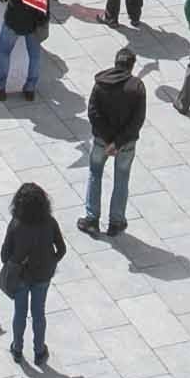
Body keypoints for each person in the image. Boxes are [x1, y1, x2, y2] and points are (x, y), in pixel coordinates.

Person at [0, 181, 67, 368]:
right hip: (43, 276)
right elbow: (61, 249)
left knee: (19, 313)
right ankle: (39, 351)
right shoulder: (50, 223)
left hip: (20, 277)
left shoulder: (16, 224)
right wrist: (51, 262)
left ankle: (17, 349)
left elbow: (4, 255)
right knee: (39, 313)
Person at [79, 44, 145, 236]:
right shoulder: (137, 88)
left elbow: (93, 112)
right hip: (126, 144)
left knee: (95, 173)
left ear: (116, 63)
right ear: (132, 66)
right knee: (121, 179)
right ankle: (116, 222)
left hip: (101, 141)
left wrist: (108, 140)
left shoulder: (101, 84)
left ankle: (91, 219)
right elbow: (137, 120)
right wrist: (118, 142)